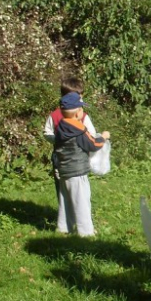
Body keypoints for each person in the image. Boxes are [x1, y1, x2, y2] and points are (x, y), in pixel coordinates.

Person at [43, 77, 97, 232]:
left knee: (63, 193)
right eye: (79, 97)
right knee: (81, 196)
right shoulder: (82, 117)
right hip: (76, 163)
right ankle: (84, 230)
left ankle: (64, 226)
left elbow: (47, 133)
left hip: (60, 160)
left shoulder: (54, 115)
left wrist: (57, 140)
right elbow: (92, 137)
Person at [54, 92, 110, 237]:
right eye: (82, 108)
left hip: (64, 169)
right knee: (82, 202)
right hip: (77, 172)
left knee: (65, 201)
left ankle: (64, 227)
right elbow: (93, 144)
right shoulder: (79, 130)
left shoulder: (61, 127)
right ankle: (86, 232)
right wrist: (103, 137)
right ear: (78, 112)